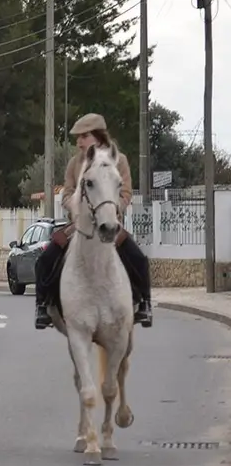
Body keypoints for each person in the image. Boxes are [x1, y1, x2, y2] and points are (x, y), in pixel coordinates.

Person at [34, 113, 153, 329]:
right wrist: (74, 207)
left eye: (84, 136)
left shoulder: (120, 160)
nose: (79, 141)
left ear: (98, 136)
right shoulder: (74, 163)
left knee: (138, 258)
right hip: (79, 225)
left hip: (109, 223)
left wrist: (114, 210)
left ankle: (144, 303)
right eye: (78, 137)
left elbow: (125, 192)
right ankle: (43, 305)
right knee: (47, 257)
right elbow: (68, 192)